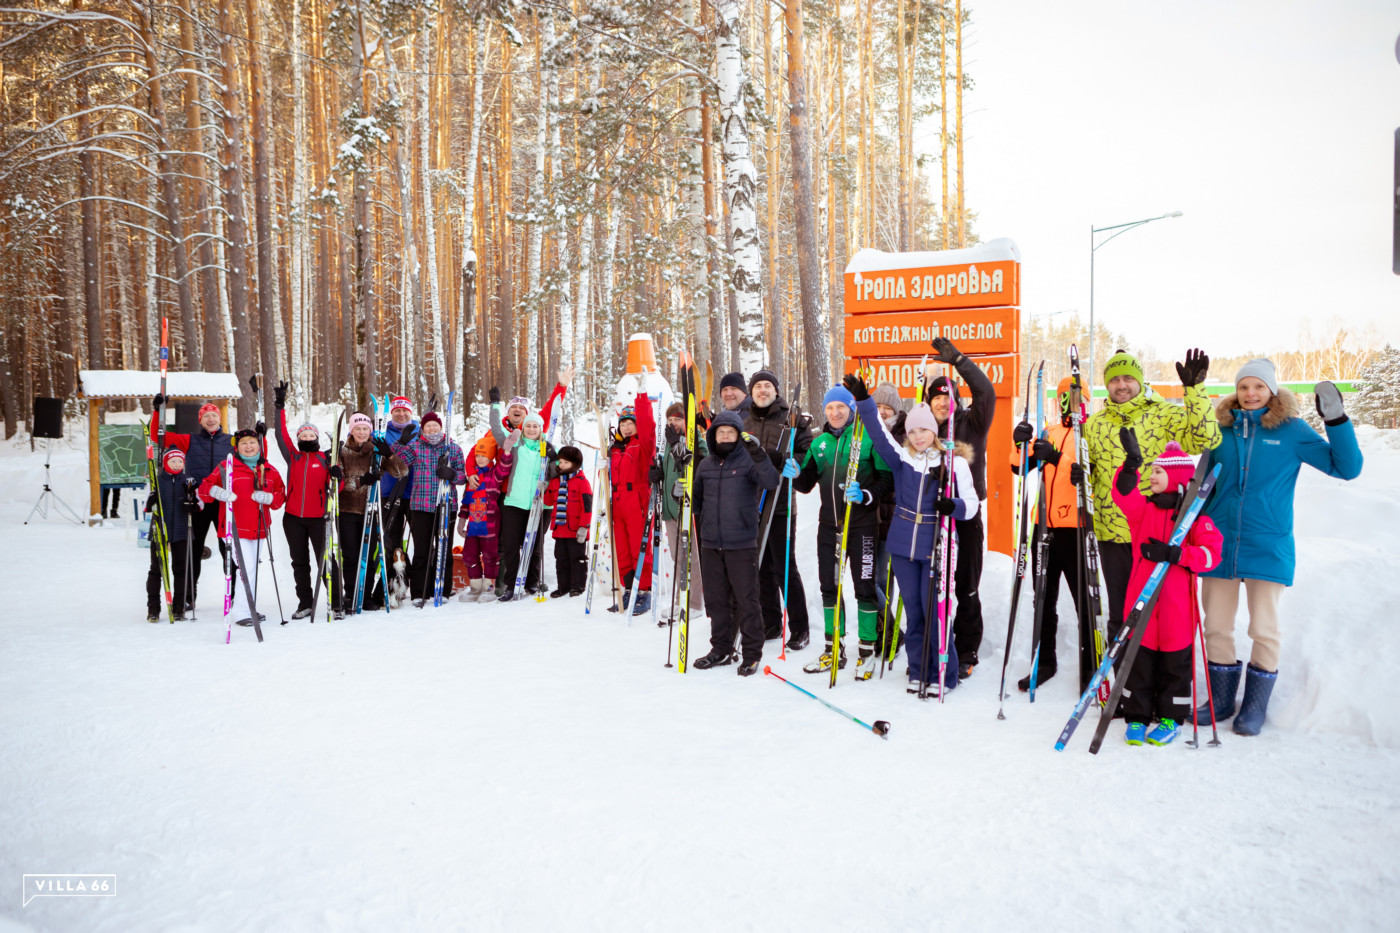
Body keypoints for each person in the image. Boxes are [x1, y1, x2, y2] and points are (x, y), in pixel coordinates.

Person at [1194, 360, 1363, 736]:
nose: (1250, 394)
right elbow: (1202, 488)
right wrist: (1191, 528)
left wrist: (1336, 422)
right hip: (1219, 544)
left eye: (1258, 387)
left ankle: (1253, 707)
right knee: (1216, 627)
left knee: (1263, 629)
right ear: (1235, 392)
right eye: (1243, 387)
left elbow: (1346, 468)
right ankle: (1220, 701)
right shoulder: (1220, 432)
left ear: (1272, 390)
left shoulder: (1291, 430)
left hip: (1268, 543)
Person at [848, 372, 979, 697]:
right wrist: (864, 399)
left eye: (924, 430)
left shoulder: (953, 463)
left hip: (936, 545)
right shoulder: (902, 458)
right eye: (913, 430)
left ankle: (943, 675)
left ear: (934, 431)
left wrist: (953, 506)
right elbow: (878, 433)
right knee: (916, 611)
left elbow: (973, 506)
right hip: (903, 546)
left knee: (935, 610)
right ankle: (919, 671)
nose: (918, 436)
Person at [1085, 348, 1220, 652]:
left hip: (1157, 533)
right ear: (1107, 385)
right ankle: (1121, 684)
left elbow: (1206, 440)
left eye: (1128, 378)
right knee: (1120, 610)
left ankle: (1160, 681)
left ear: (1140, 381)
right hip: (1113, 533)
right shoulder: (1094, 425)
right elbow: (1087, 470)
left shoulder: (1164, 414)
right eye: (1115, 379)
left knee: (1160, 610)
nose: (1122, 385)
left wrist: (1195, 391)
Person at [1112, 435, 1223, 746]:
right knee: (1140, 664)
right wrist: (1131, 465)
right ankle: (1137, 717)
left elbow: (1211, 556)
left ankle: (1171, 717)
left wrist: (1178, 555)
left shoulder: (1196, 519)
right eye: (1152, 471)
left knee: (1175, 667)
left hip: (1177, 608)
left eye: (1158, 472)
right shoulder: (1142, 511)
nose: (1152, 477)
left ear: (1176, 478)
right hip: (1142, 602)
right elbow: (1122, 492)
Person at [792, 384, 893, 680]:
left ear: (851, 410)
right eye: (830, 408)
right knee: (829, 587)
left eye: (841, 408)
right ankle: (833, 647)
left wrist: (866, 493)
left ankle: (866, 651)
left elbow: (887, 478)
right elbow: (807, 482)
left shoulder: (867, 438)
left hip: (861, 526)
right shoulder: (819, 442)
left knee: (864, 588)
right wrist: (796, 475)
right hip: (829, 526)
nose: (835, 413)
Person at [1010, 377, 1093, 691]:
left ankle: (1090, 666)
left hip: (1076, 528)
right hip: (1044, 528)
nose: (1068, 403)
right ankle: (1045, 660)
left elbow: (1089, 475)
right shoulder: (1049, 433)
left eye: (1074, 397)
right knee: (1043, 598)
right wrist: (1020, 443)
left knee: (1083, 600)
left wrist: (1058, 457)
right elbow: (1020, 467)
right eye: (1063, 397)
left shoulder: (1090, 435)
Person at [924, 337, 996, 679]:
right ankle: (932, 641)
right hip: (932, 515)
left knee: (966, 582)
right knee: (934, 583)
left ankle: (966, 648)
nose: (941, 402)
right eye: (935, 397)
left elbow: (987, 393)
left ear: (956, 400)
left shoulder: (973, 423)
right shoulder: (923, 432)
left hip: (966, 515)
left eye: (946, 396)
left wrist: (959, 362)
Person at [690, 409, 781, 676]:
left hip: (741, 542)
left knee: (747, 600)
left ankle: (751, 653)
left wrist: (759, 454)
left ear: (739, 436)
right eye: (721, 433)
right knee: (717, 601)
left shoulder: (749, 461)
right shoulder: (705, 465)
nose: (726, 437)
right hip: (710, 543)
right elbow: (696, 501)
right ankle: (720, 648)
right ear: (714, 436)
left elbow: (771, 481)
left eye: (731, 432)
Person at [741, 370, 813, 650]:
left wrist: (784, 459)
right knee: (760, 567)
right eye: (757, 386)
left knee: (784, 567)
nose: (762, 390)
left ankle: (800, 627)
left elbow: (805, 454)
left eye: (767, 386)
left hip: (781, 504)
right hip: (751, 503)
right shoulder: (744, 419)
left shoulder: (790, 418)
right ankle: (771, 621)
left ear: (775, 391)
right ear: (752, 391)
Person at [149, 397, 236, 608]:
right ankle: (188, 596)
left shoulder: (232, 441)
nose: (210, 418)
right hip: (197, 502)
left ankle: (235, 595)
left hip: (224, 502)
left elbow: (255, 451)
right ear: (200, 420)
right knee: (193, 549)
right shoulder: (189, 440)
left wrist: (260, 436)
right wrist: (158, 410)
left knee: (229, 548)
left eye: (214, 414)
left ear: (220, 418)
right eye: (206, 415)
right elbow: (156, 436)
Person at [197, 428, 286, 627]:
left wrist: (270, 498)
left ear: (259, 446)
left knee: (251, 568)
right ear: (237, 447)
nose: (248, 447)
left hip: (260, 528)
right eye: (243, 443)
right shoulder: (226, 467)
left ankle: (247, 606)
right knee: (245, 568)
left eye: (252, 443)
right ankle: (241, 611)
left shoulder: (269, 470)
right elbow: (203, 489)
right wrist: (217, 492)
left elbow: (281, 494)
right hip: (234, 528)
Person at [272, 381, 334, 619]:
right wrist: (279, 406)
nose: (307, 437)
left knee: (325, 562)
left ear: (317, 437)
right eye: (303, 434)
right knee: (300, 563)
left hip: (319, 519)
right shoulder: (293, 457)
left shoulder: (325, 458)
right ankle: (305, 603)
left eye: (311, 434)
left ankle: (335, 600)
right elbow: (280, 434)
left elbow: (333, 486)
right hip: (293, 519)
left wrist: (335, 472)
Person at [337, 412, 408, 615]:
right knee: (350, 556)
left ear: (370, 431)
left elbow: (402, 472)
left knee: (368, 556)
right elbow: (338, 483)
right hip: (348, 511)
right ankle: (351, 594)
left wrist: (389, 454)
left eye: (365, 428)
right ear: (352, 430)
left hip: (372, 510)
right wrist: (361, 481)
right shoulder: (342, 451)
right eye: (357, 428)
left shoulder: (376, 452)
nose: (361, 432)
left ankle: (365, 595)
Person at [393, 410, 466, 605]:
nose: (432, 428)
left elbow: (462, 477)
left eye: (435, 425)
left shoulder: (453, 448)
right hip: (421, 506)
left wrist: (451, 474)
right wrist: (400, 443)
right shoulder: (416, 446)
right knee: (422, 551)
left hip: (446, 505)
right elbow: (397, 464)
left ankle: (443, 589)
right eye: (428, 426)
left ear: (441, 427)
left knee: (444, 549)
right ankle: (420, 592)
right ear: (423, 429)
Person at [655, 402, 708, 618]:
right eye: (670, 420)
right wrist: (658, 474)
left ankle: (695, 603)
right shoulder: (667, 442)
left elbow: (698, 463)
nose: (673, 423)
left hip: (688, 507)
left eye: (677, 419)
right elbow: (669, 469)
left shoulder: (696, 440)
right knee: (678, 557)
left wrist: (679, 444)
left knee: (692, 556)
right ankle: (681, 600)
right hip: (670, 509)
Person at [498, 411, 558, 600]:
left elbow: (555, 474)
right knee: (511, 545)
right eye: (528, 426)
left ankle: (532, 582)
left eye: (536, 426)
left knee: (534, 545)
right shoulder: (517, 444)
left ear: (541, 429)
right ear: (523, 428)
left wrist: (553, 459)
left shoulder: (547, 447)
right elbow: (497, 431)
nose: (532, 429)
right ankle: (512, 584)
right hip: (515, 502)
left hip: (540, 503)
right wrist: (495, 406)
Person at [607, 393, 657, 615]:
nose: (626, 428)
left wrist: (642, 400)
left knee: (640, 547)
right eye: (623, 423)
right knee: (623, 549)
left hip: (637, 499)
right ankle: (629, 589)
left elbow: (648, 428)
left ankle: (644, 591)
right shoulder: (616, 448)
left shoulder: (643, 445)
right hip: (617, 503)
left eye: (630, 423)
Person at [870, 382, 905, 652]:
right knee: (871, 580)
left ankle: (886, 630)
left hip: (893, 517)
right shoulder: (866, 431)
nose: (882, 412)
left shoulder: (902, 435)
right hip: (868, 515)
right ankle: (890, 627)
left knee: (883, 580)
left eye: (887, 408)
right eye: (877, 407)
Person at [456, 434, 512, 603]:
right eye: (478, 456)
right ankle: (475, 588)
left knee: (490, 556)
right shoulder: (472, 479)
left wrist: (507, 451)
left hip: (489, 525)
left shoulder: (494, 475)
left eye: (484, 456)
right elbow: (466, 502)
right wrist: (461, 521)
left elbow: (504, 467)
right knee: (469, 555)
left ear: (490, 457)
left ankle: (488, 587)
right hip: (473, 526)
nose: (480, 459)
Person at [145, 448, 193, 622]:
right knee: (156, 569)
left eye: (180, 461)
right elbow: (147, 506)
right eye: (173, 461)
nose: (177, 464)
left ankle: (179, 607)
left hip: (181, 529)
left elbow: (198, 504)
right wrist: (151, 501)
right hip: (160, 530)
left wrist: (192, 503)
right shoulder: (156, 481)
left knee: (180, 569)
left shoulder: (187, 481)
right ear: (166, 463)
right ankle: (153, 608)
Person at [545, 446, 594, 598]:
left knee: (577, 558)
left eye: (566, 462)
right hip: (560, 529)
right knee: (561, 558)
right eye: (560, 462)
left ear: (575, 464)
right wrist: (545, 488)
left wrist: (584, 527)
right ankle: (563, 586)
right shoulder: (555, 481)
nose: (562, 465)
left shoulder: (582, 482)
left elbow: (587, 507)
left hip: (576, 530)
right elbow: (548, 501)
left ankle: (577, 586)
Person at [488, 366, 572, 447]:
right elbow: (481, 450)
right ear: (508, 411)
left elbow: (550, 408)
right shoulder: (498, 429)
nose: (517, 409)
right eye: (513, 407)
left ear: (527, 414)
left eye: (521, 408)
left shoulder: (534, 427)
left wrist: (562, 386)